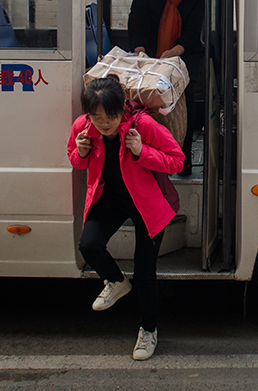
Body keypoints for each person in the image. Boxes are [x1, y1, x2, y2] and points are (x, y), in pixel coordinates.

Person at [68, 76, 185, 361]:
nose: (103, 123)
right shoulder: (83, 128)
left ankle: (148, 330)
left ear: (122, 109)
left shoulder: (142, 126)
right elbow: (74, 156)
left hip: (146, 203)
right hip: (110, 198)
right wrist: (81, 153)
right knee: (88, 245)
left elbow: (177, 160)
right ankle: (116, 281)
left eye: (110, 116)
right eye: (96, 117)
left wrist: (141, 151)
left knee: (145, 272)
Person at [127, 0, 205, 174]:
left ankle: (183, 158)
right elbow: (137, 17)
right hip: (151, 54)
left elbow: (197, 26)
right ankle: (149, 158)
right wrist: (140, 48)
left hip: (184, 56)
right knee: (147, 106)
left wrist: (178, 49)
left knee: (184, 104)